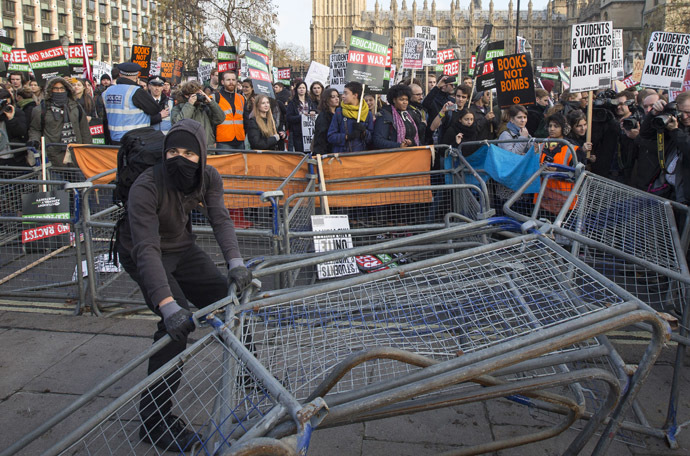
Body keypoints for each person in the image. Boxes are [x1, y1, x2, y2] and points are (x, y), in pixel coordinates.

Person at [114, 119, 252, 451]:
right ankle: (154, 423)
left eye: (189, 152)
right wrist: (169, 305)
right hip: (143, 253)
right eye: (173, 150)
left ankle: (252, 375)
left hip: (182, 248)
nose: (180, 158)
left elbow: (219, 217)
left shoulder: (208, 177)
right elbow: (145, 248)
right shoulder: (147, 186)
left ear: (202, 154)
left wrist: (235, 262)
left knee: (227, 298)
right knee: (173, 330)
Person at [638, 93, 690, 204]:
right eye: (681, 112)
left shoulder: (676, 129)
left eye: (688, 113)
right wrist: (654, 114)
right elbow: (646, 134)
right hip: (667, 189)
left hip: (685, 197)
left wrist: (675, 131)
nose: (684, 117)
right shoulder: (677, 123)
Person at [28, 78, 92, 166]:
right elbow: (35, 129)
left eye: (62, 88)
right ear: (50, 90)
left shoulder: (76, 107)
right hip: (52, 155)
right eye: (56, 89)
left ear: (67, 90)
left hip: (76, 153)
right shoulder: (41, 110)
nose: (59, 91)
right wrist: (34, 140)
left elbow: (84, 130)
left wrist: (87, 150)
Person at [103, 62, 161, 144]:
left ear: (120, 74)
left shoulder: (107, 92)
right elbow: (155, 109)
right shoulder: (137, 92)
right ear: (137, 76)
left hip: (114, 140)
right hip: (136, 141)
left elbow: (104, 119)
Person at [171, 80, 225, 149]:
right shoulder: (178, 108)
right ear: (187, 95)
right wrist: (190, 104)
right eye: (195, 94)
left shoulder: (205, 107)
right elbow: (178, 123)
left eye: (199, 93)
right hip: (188, 148)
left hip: (207, 147)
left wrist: (211, 103)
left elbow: (220, 118)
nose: (198, 96)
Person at [327, 81, 374, 153]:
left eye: (346, 93)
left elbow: (371, 139)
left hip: (360, 156)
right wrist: (346, 137)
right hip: (342, 156)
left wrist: (364, 132)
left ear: (355, 95)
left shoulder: (367, 113)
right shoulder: (339, 112)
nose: (342, 96)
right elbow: (331, 136)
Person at [372, 84, 420, 149]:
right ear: (394, 100)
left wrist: (410, 142)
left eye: (406, 99)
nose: (405, 102)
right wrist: (398, 145)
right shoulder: (385, 116)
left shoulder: (408, 115)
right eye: (401, 99)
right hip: (393, 155)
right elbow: (378, 141)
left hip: (410, 154)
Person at [214, 71, 246, 151]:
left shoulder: (241, 98)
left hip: (240, 140)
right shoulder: (215, 97)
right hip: (223, 141)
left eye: (233, 80)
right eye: (228, 80)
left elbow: (245, 119)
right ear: (222, 82)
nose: (231, 82)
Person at [286, 81, 317, 152]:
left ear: (306, 89)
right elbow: (289, 117)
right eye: (300, 88)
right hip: (298, 133)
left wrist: (314, 112)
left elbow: (316, 111)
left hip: (309, 133)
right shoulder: (292, 102)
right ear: (296, 90)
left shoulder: (310, 101)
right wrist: (301, 117)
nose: (302, 89)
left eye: (303, 88)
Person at [312, 88, 339, 155]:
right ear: (327, 99)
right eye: (333, 97)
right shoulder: (323, 116)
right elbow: (321, 138)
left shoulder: (338, 114)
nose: (337, 99)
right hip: (325, 153)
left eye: (337, 96)